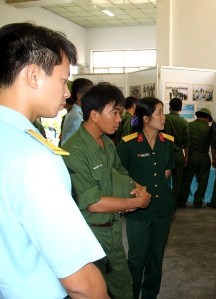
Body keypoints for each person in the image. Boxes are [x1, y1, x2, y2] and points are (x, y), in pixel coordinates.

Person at [0, 22, 108, 299]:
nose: (68, 92)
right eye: (63, 79)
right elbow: (80, 281)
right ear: (34, 75)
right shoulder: (34, 157)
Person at [62, 82, 151, 299]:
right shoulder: (73, 151)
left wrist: (138, 189)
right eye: (114, 113)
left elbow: (120, 173)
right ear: (94, 114)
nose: (120, 120)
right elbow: (93, 202)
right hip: (89, 236)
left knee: (123, 288)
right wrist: (136, 203)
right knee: (93, 291)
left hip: (112, 232)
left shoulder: (107, 143)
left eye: (120, 113)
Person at [117, 97, 175, 299]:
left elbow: (167, 170)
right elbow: (118, 174)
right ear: (145, 118)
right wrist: (136, 189)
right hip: (139, 212)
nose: (163, 116)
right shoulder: (128, 144)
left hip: (162, 209)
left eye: (163, 111)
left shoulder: (167, 143)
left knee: (155, 257)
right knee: (136, 258)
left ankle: (150, 295)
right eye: (159, 112)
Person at [178, 108, 214, 208]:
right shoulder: (209, 129)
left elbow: (185, 142)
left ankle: (182, 201)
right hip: (204, 157)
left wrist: (186, 156)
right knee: (202, 181)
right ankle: (198, 202)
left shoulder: (189, 125)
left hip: (191, 156)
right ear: (207, 118)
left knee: (186, 180)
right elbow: (213, 145)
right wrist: (214, 158)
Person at [163, 97, 190, 208]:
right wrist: (186, 156)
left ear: (169, 106)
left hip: (164, 153)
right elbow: (187, 142)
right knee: (178, 181)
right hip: (178, 154)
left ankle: (164, 202)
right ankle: (174, 203)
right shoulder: (184, 122)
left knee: (163, 179)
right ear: (180, 108)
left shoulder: (164, 119)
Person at [60, 77, 93, 145]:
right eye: (90, 95)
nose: (92, 98)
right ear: (80, 96)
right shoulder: (76, 117)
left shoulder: (78, 114)